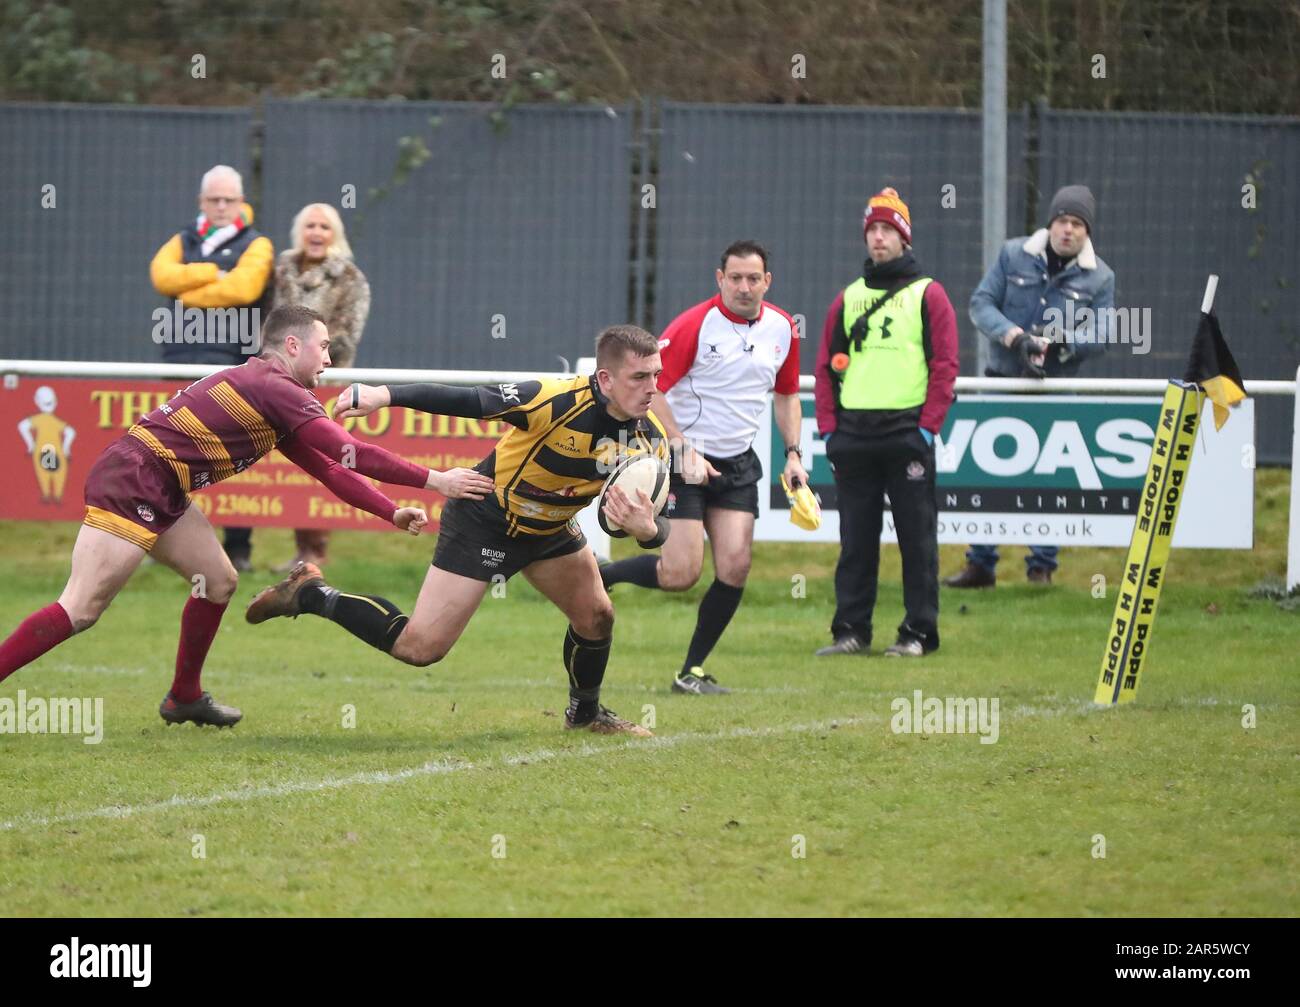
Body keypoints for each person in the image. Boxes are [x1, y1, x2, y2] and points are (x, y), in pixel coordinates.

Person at [0, 306, 492, 727]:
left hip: (163, 482)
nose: (329, 358)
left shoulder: (274, 392)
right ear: (292, 344)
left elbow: (330, 469)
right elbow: (349, 450)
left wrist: (389, 509)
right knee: (82, 608)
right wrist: (437, 481)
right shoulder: (274, 384)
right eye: (323, 347)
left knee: (216, 581)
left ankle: (184, 698)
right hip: (135, 478)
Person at [245, 325, 672, 737]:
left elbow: (659, 527)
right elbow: (469, 400)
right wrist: (384, 395)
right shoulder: (555, 399)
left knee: (597, 616)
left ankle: (585, 716)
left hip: (551, 530)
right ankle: (311, 593)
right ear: (605, 378)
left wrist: (648, 531)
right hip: (485, 518)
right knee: (420, 648)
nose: (652, 387)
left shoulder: (651, 440)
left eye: (656, 374)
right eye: (639, 377)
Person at [598, 240, 804, 695]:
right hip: (684, 460)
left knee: (735, 566)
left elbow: (787, 395)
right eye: (735, 278)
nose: (744, 287)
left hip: (738, 463)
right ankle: (602, 575)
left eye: (754, 278)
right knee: (680, 574)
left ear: (767, 281)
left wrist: (793, 453)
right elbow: (656, 390)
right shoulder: (696, 324)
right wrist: (681, 446)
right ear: (720, 279)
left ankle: (690, 672)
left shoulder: (783, 328)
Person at [944, 184, 1115, 588]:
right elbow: (980, 304)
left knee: (1049, 475)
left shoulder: (1101, 277)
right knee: (985, 473)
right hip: (1002, 381)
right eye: (1062, 221)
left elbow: (1106, 332)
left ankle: (1042, 566)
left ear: (1087, 232)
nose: (1068, 230)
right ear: (1050, 223)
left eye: (1077, 224)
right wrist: (1015, 338)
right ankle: (980, 564)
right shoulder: (1012, 254)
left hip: (1055, 389)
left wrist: (1062, 344)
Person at [812, 187, 958, 657]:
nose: (878, 238)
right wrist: (830, 429)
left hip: (905, 434)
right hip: (854, 437)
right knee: (856, 541)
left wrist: (927, 428)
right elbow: (824, 368)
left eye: (888, 230)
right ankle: (851, 632)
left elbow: (945, 365)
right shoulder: (848, 297)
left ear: (904, 238)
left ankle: (918, 633)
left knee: (917, 542)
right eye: (873, 230)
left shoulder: (928, 294)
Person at [150, 165, 275, 571]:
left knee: (233, 453)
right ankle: (163, 541)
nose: (221, 207)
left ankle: (238, 550)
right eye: (214, 200)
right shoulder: (183, 237)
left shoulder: (258, 244)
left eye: (229, 200)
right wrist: (210, 274)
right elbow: (161, 275)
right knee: (167, 456)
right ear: (202, 201)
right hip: (178, 362)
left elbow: (244, 288)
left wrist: (186, 292)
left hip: (230, 367)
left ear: (241, 202)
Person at [273, 202, 372, 570]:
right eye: (310, 225)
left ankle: (317, 550)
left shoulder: (349, 278)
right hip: (278, 380)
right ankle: (300, 549)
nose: (316, 233)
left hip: (325, 380)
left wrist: (311, 355)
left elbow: (348, 335)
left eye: (324, 227)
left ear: (335, 235)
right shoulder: (281, 269)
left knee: (325, 459)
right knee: (293, 463)